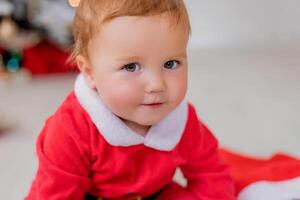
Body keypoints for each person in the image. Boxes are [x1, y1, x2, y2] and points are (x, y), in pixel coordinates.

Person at [25, 0, 235, 199]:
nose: (156, 85)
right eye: (131, 67)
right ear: (90, 73)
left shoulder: (181, 120)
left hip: (156, 194)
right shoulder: (70, 129)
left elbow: (211, 174)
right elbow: (57, 195)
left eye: (170, 64)